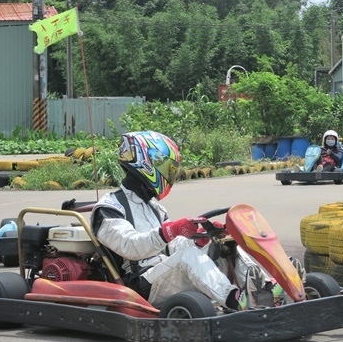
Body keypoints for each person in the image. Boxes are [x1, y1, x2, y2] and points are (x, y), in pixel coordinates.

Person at [91, 131, 284, 312]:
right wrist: (170, 230)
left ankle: (267, 289)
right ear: (145, 164)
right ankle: (236, 301)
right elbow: (130, 247)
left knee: (226, 244)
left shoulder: (155, 208)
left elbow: (172, 247)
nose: (168, 173)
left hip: (165, 272)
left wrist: (200, 239)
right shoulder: (108, 208)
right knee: (188, 256)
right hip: (141, 284)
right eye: (164, 167)